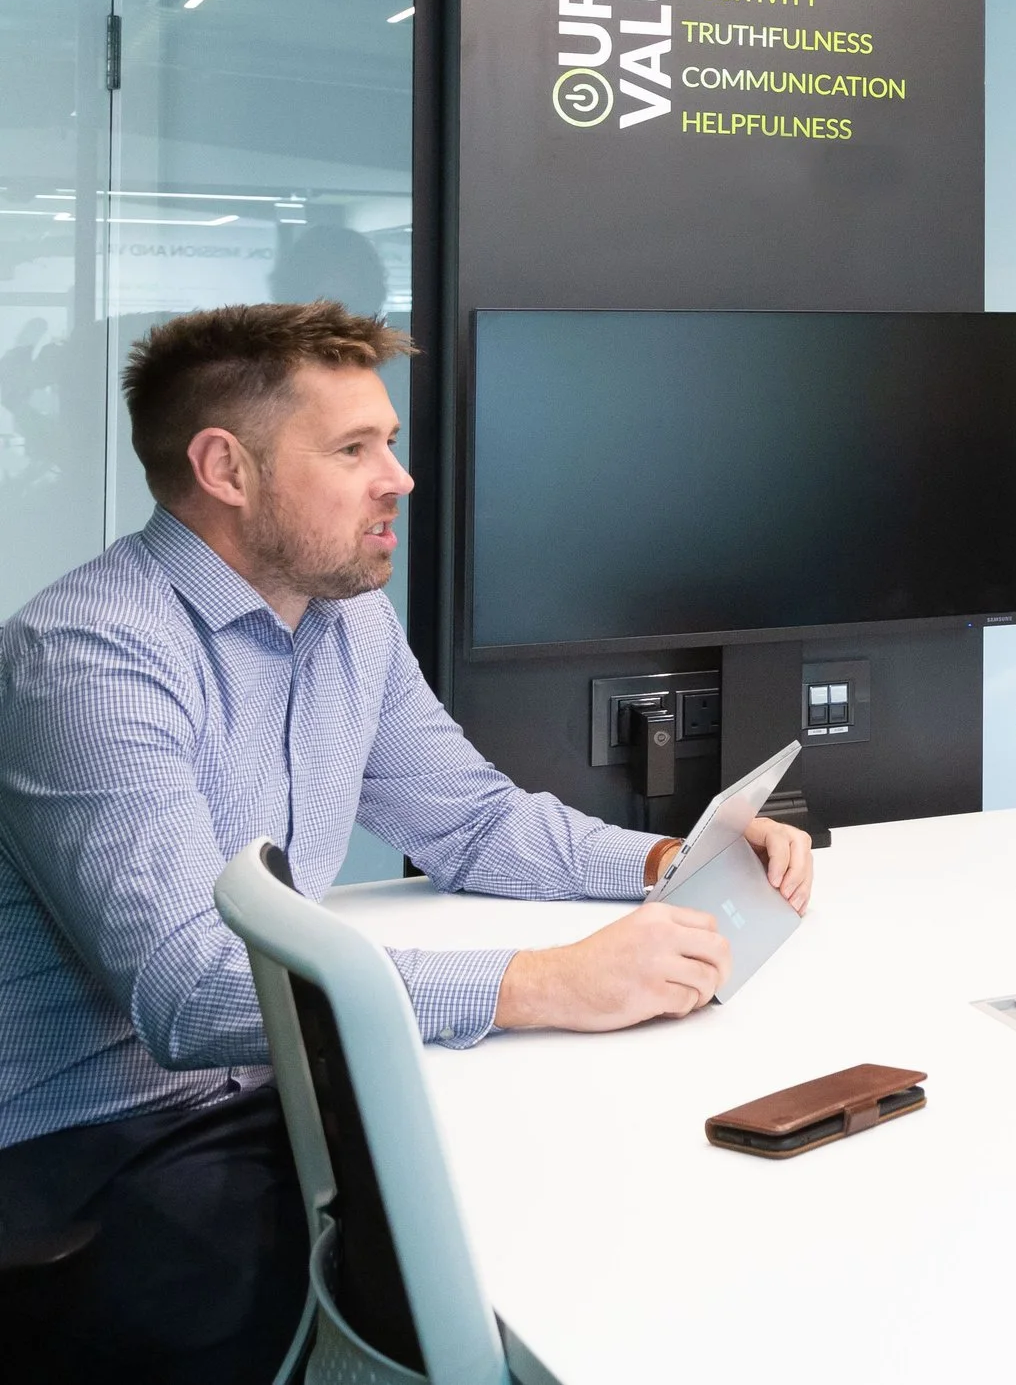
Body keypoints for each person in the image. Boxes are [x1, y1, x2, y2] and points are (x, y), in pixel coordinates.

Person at [0, 302, 812, 1381]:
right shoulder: (90, 658)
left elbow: (471, 820)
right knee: (466, 1263)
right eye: (353, 449)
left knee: (564, 1180)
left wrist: (664, 861)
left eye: (387, 441)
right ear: (225, 468)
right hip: (91, 1141)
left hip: (273, 1089)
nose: (400, 478)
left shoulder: (344, 620)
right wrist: (538, 983)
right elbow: (189, 993)